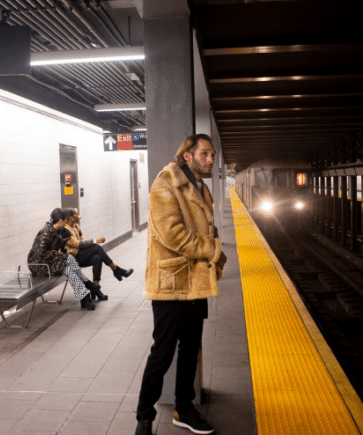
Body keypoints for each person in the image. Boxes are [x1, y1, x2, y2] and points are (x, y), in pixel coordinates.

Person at [135, 134, 227, 435]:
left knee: (190, 348)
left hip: (195, 282)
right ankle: (144, 418)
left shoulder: (200, 187)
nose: (210, 159)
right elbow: (171, 234)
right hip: (171, 282)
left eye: (212, 154)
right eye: (204, 153)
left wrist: (214, 256)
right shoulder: (166, 183)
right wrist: (212, 249)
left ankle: (184, 409)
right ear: (187, 155)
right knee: (162, 351)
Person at [27, 208, 102, 310]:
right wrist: (59, 254)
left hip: (49, 263)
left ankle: (85, 296)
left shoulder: (56, 231)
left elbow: (61, 245)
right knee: (68, 259)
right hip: (38, 265)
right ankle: (87, 284)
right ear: (61, 221)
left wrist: (65, 250)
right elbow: (41, 255)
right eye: (66, 220)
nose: (66, 223)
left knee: (68, 269)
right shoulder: (45, 233)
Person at [62, 208, 133, 301]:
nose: (78, 215)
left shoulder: (76, 226)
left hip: (80, 254)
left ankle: (96, 289)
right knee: (96, 247)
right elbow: (77, 244)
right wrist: (96, 241)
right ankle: (116, 269)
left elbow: (83, 241)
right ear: (71, 218)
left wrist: (87, 244)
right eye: (76, 214)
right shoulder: (65, 230)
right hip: (73, 258)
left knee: (97, 258)